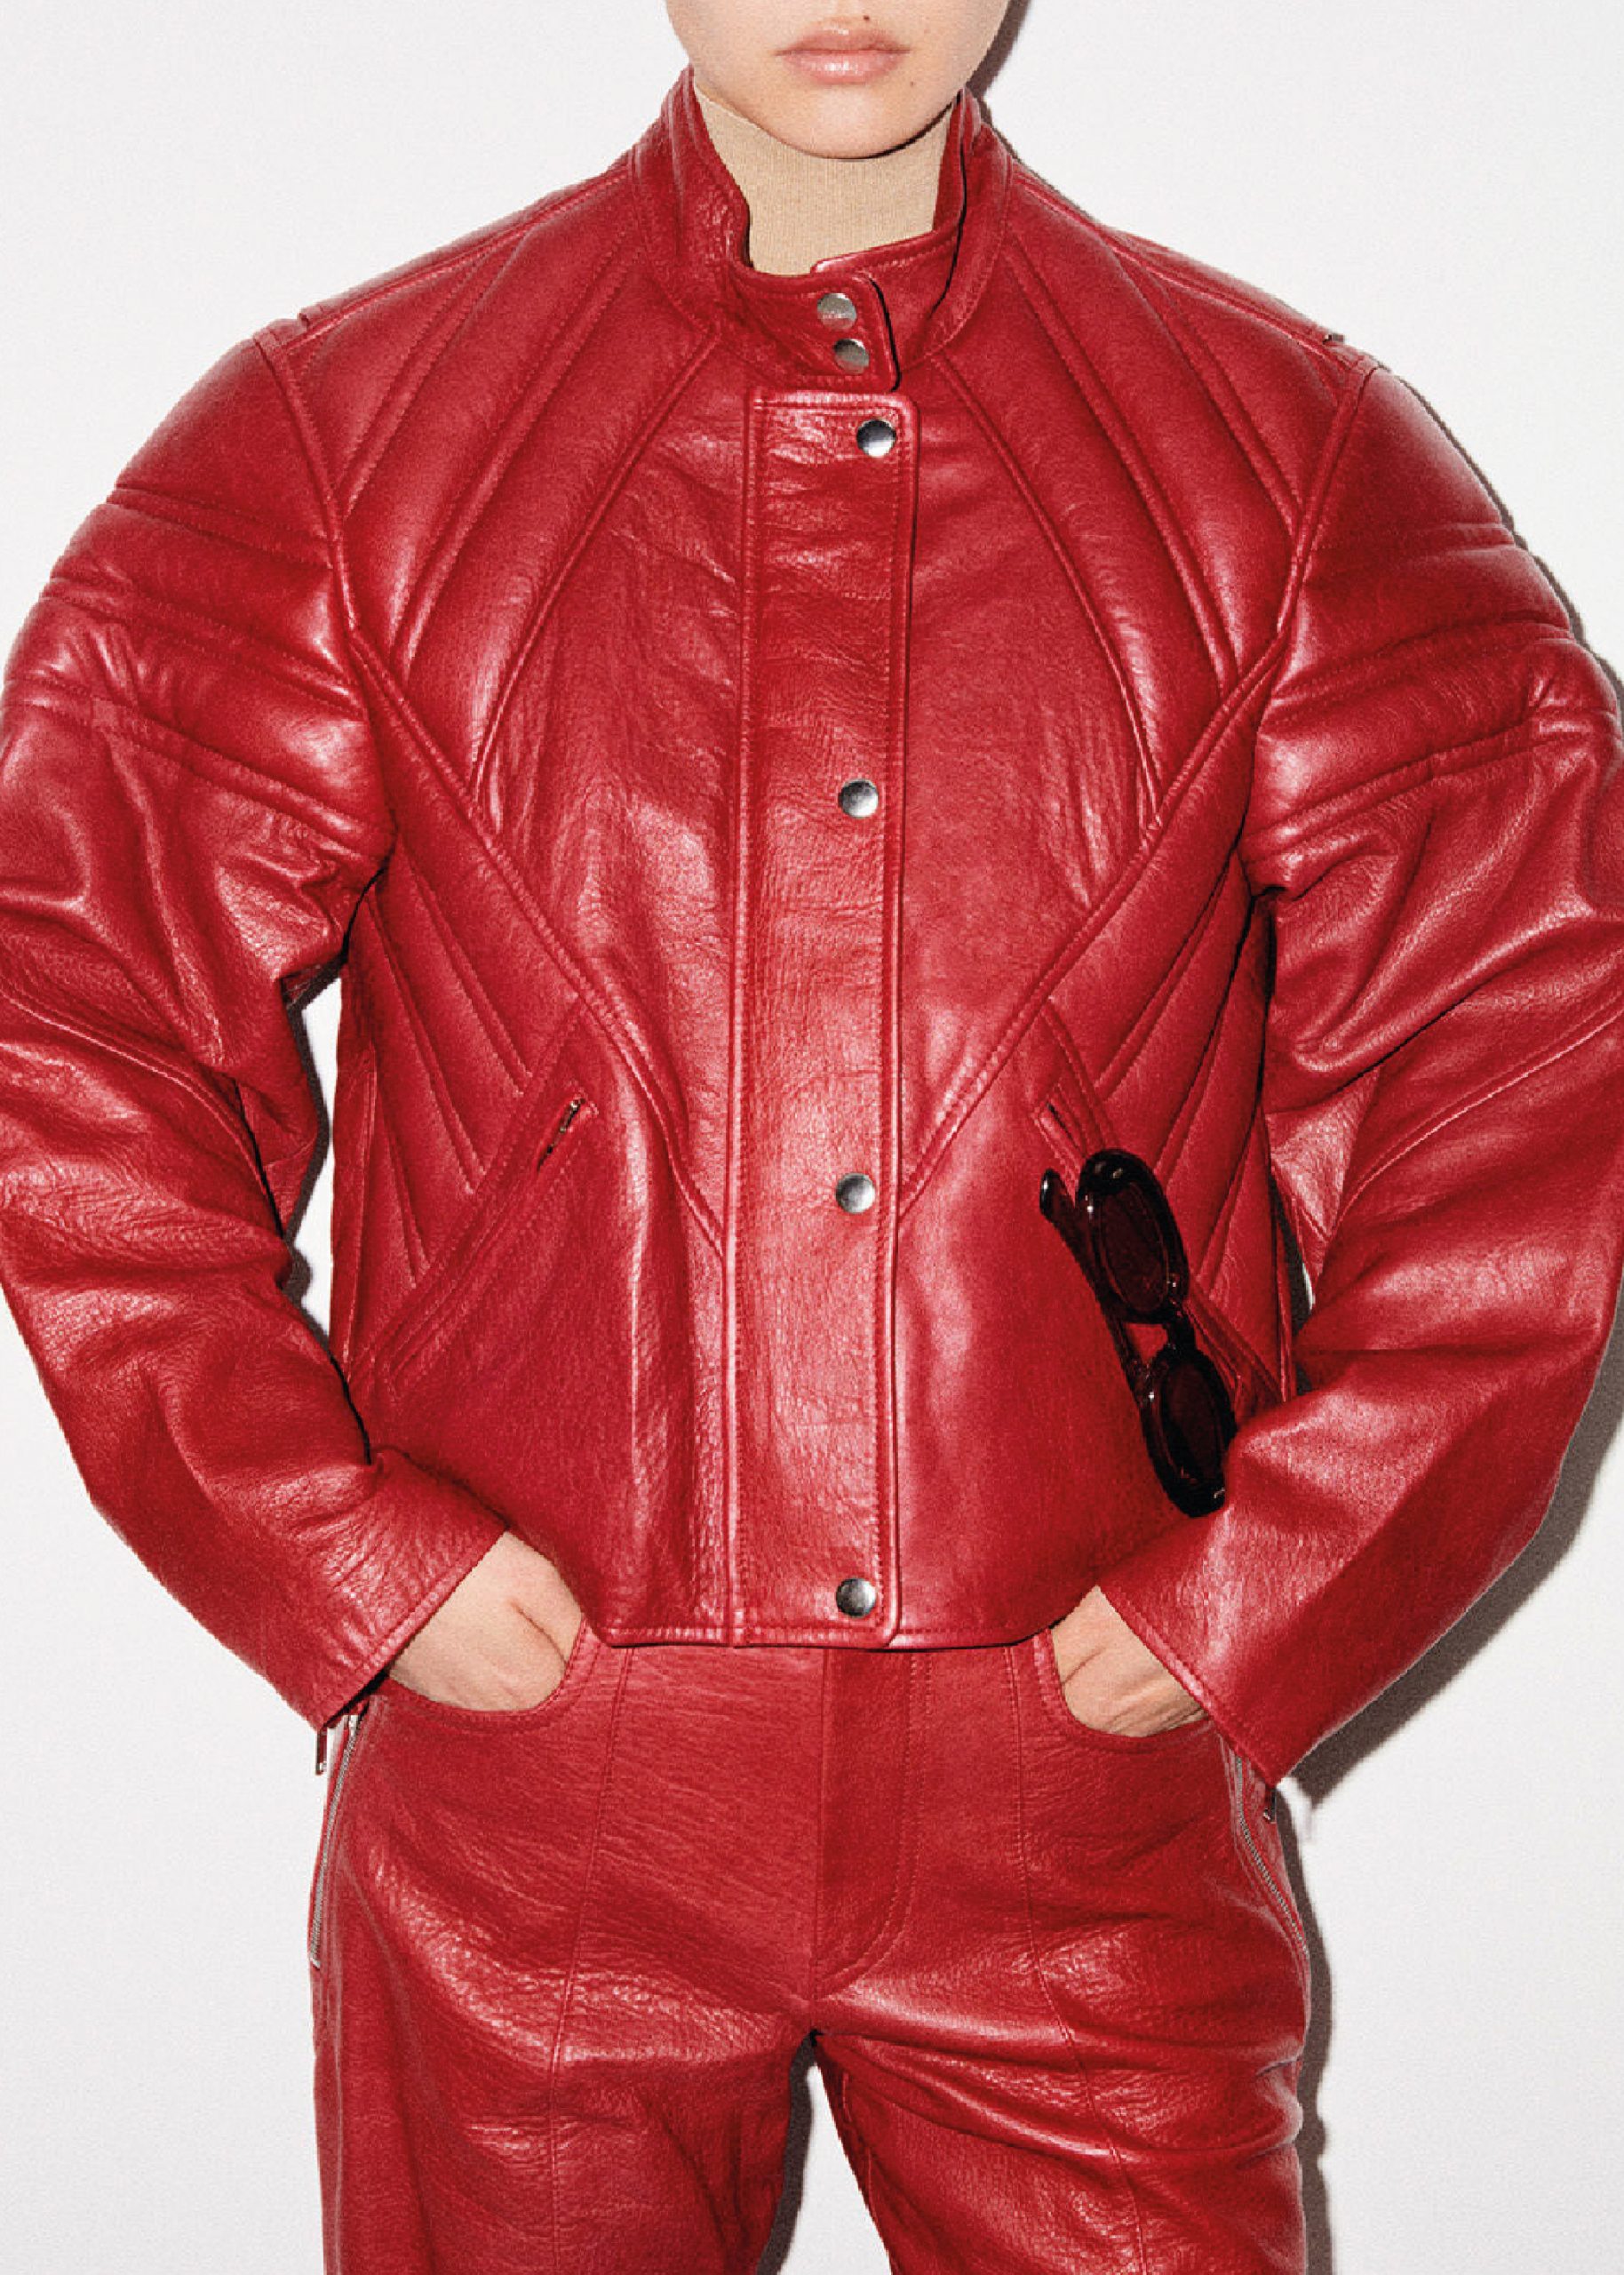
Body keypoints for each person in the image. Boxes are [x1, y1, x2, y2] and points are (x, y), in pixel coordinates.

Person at [1, 3, 1620, 2268]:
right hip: (542, 1789)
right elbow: (70, 1007)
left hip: (1076, 1793)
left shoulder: (1286, 456)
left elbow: (1519, 1059)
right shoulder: (349, 439)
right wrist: (346, 1562)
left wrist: (1257, 1597)